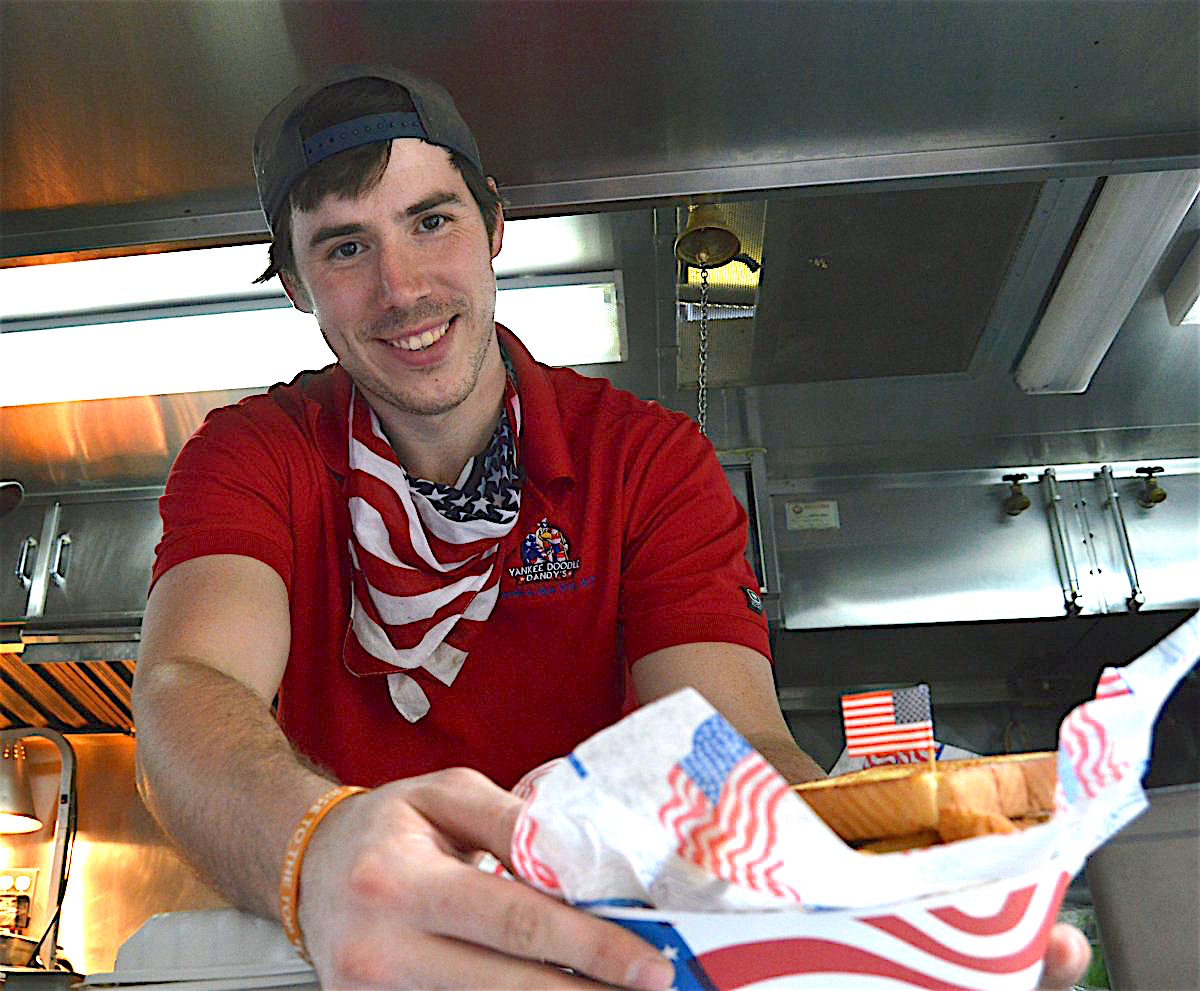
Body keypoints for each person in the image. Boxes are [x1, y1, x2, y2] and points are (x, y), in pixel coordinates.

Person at [131, 65, 1091, 989]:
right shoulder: (252, 455)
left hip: (615, 958)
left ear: (495, 225)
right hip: (354, 957)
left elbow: (730, 738)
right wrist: (317, 851)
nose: (403, 287)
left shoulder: (646, 459)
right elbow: (188, 687)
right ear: (299, 287)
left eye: (432, 221)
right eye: (345, 247)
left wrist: (846, 884)